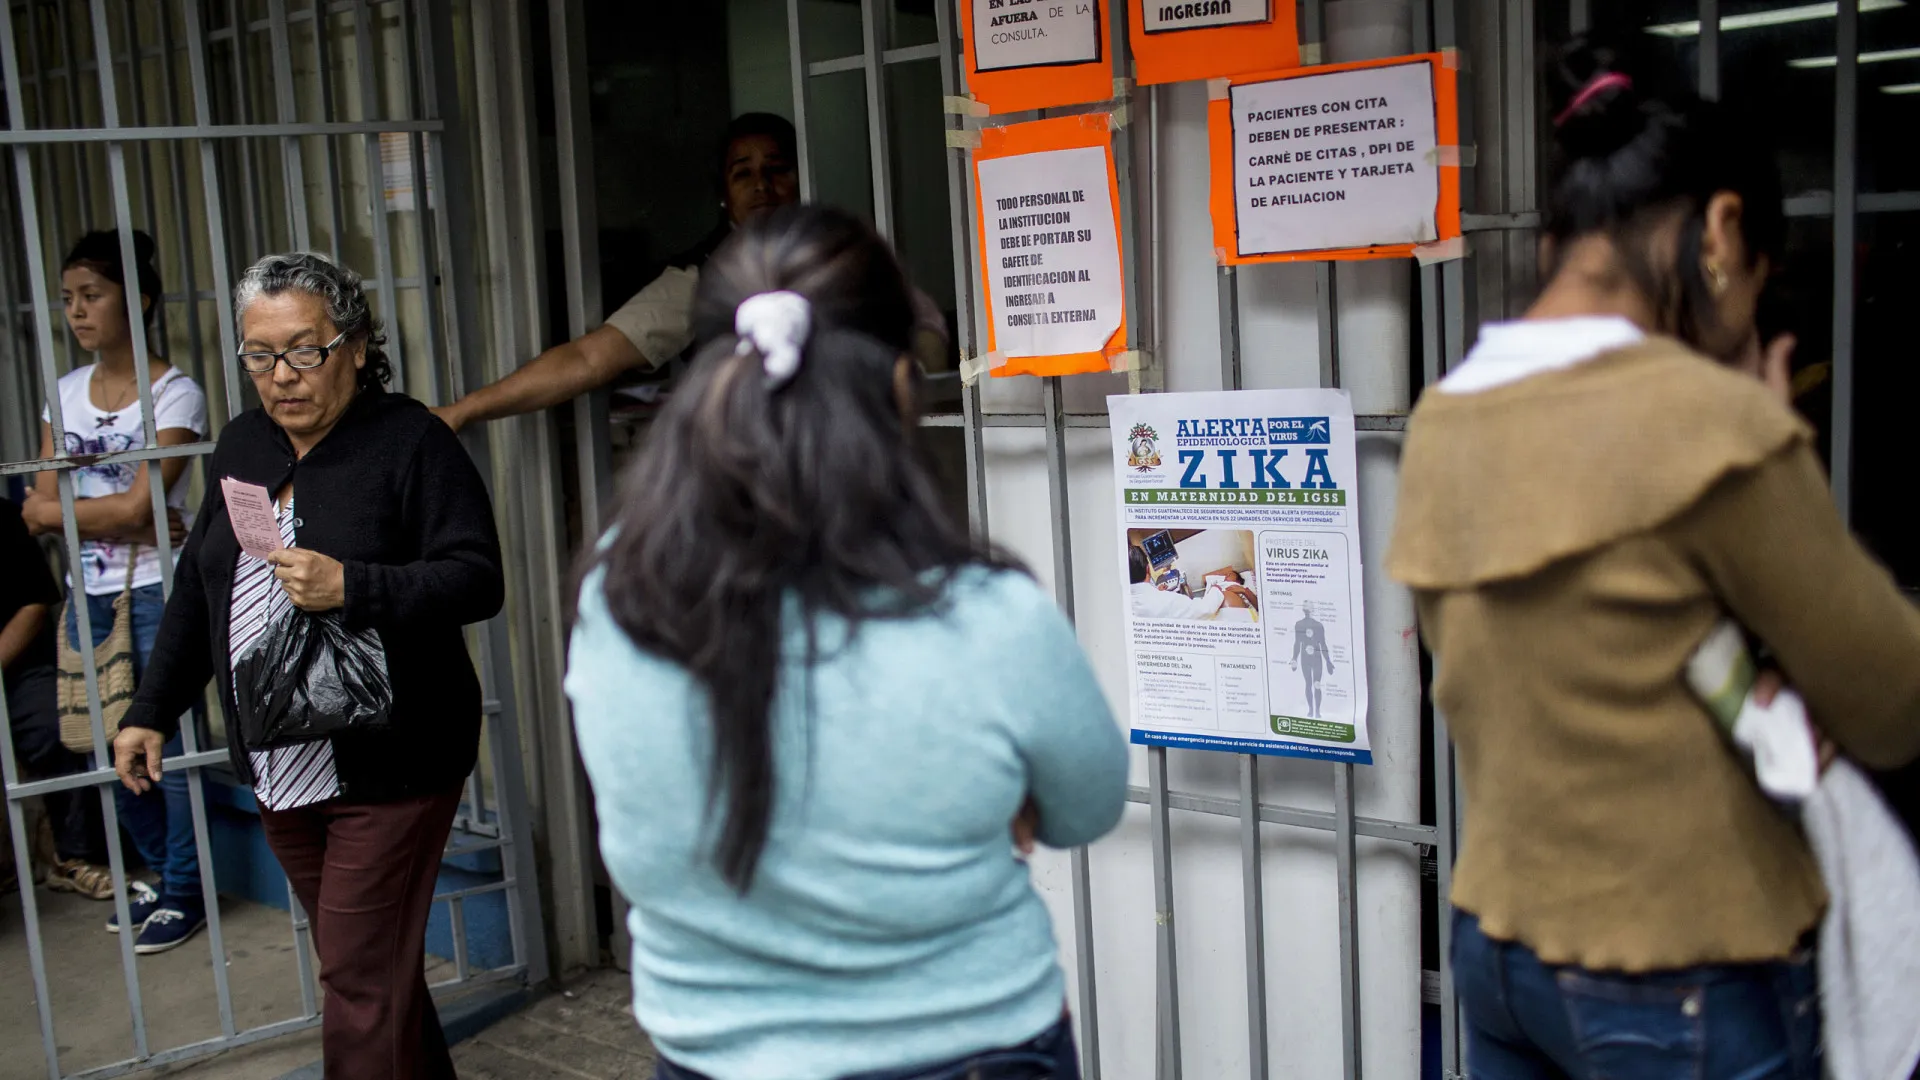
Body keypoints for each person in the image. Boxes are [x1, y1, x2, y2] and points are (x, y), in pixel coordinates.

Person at [1387, 40, 1920, 1079]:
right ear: (1720, 233)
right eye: (1758, 278)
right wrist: (1775, 445)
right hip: (1681, 962)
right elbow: (1891, 702)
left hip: (1498, 952)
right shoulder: (1714, 423)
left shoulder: (1443, 420)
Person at [566, 204, 1128, 1080]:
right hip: (974, 1051)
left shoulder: (618, 598)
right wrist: (985, 796)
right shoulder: (985, 615)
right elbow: (1086, 806)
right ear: (901, 385)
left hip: (712, 1058)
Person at [115, 252, 505, 1078]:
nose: (282, 376)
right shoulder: (243, 443)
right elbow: (200, 587)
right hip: (279, 760)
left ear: (355, 347)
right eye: (260, 355)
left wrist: (353, 586)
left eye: (304, 350)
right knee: (372, 970)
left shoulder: (412, 442)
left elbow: (477, 577)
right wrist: (150, 708)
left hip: (393, 762)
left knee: (359, 976)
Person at [431, 112, 949, 435]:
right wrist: (466, 409)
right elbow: (589, 358)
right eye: (743, 173)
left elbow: (925, 329)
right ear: (723, 194)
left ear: (802, 175)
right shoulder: (702, 277)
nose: (762, 185)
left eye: (777, 168)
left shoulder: (844, 255)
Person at [22, 229, 208, 952]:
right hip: (87, 595)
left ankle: (187, 891)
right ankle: (160, 876)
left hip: (159, 589)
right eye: (68, 298)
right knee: (101, 744)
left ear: (140, 301)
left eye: (92, 295)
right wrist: (123, 515)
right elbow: (37, 508)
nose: (76, 311)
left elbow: (133, 507)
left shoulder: (174, 393)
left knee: (171, 745)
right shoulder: (63, 393)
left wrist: (95, 512)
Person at [3, 495, 112, 899]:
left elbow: (33, 605)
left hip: (15, 666)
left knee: (56, 726)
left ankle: (73, 856)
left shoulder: (3, 516)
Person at [1127, 544, 1232, 620]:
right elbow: (1205, 610)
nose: (1228, 576)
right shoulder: (1168, 601)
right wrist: (1216, 590)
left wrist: (1157, 591)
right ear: (1148, 569)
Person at [1290, 602, 1332, 719]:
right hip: (1309, 658)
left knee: (1313, 684)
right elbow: (1298, 643)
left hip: (1313, 657)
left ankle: (1315, 711)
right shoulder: (1303, 625)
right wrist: (1294, 658)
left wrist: (1328, 661)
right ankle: (1313, 710)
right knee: (1312, 684)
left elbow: (1322, 644)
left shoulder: (1316, 625)